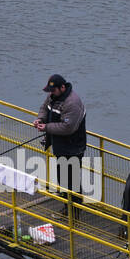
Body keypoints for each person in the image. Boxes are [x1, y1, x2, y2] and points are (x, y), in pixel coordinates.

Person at [33, 74, 87, 218]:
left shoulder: (72, 103)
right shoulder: (53, 96)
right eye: (50, 90)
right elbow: (45, 107)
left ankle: (74, 212)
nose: (51, 93)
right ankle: (66, 208)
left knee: (72, 180)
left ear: (62, 87)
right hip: (60, 146)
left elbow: (68, 128)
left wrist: (46, 127)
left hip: (73, 148)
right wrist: (40, 119)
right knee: (62, 178)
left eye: (53, 90)